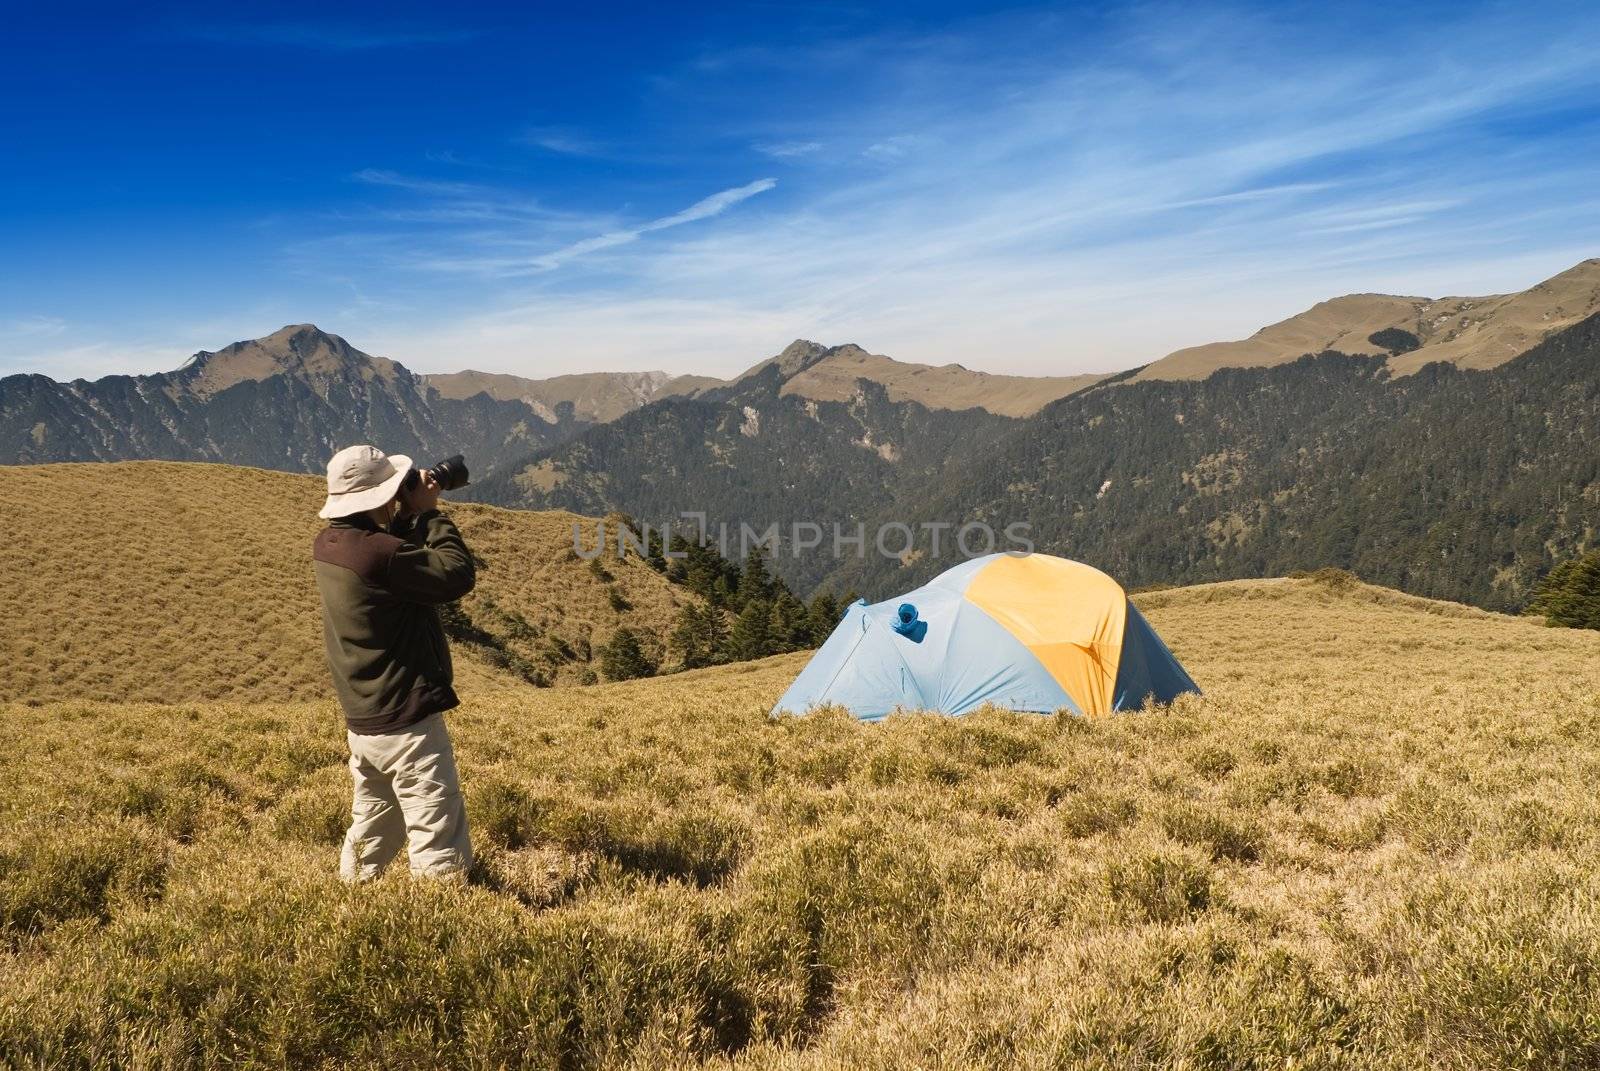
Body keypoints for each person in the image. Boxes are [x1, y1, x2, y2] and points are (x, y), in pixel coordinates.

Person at [312, 444, 476, 882]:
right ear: (381, 496)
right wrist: (429, 513)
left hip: (365, 718)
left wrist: (400, 514)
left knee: (375, 819)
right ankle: (444, 924)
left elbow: (384, 556)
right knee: (435, 829)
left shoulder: (330, 544)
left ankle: (352, 895)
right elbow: (456, 575)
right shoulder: (377, 553)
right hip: (407, 721)